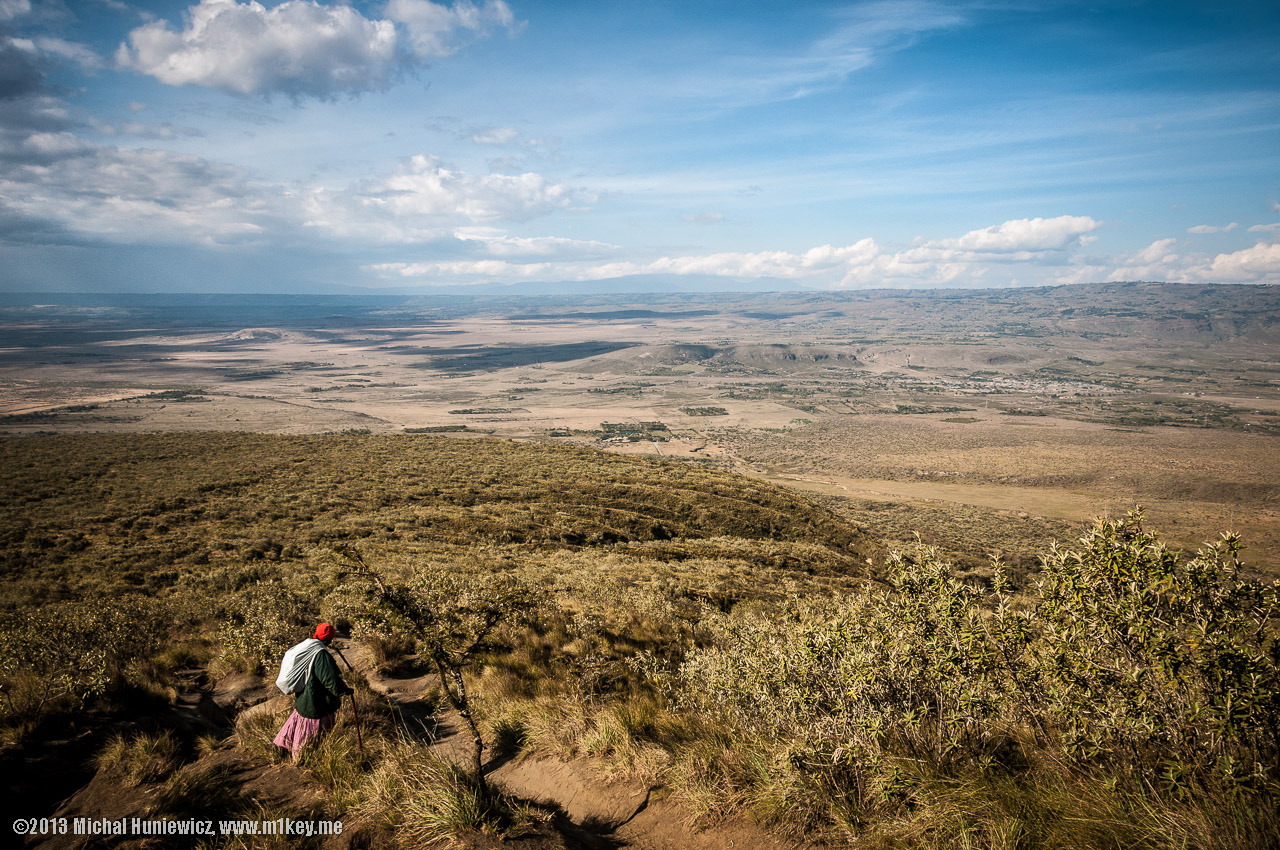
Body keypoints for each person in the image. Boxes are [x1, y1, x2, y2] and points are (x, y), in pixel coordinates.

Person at [273, 623, 354, 762]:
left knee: (301, 725)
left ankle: (290, 752)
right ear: (329, 639)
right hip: (315, 703)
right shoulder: (321, 654)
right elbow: (330, 680)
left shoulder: (308, 646)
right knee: (311, 738)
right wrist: (344, 690)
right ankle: (302, 759)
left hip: (303, 699)